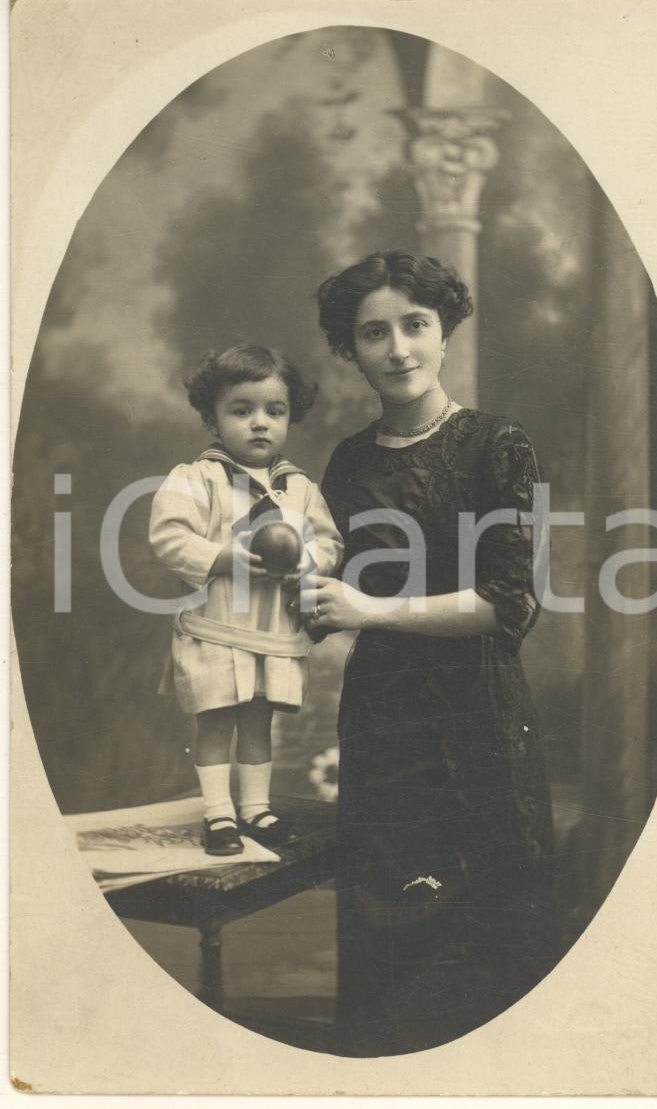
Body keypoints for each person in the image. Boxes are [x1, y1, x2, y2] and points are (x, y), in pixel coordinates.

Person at [304, 250, 557, 1056]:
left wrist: (366, 607)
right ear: (351, 349)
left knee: (486, 941)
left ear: (445, 331)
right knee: (386, 940)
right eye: (373, 332)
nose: (397, 348)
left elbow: (507, 605)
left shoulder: (497, 446)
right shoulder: (347, 462)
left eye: (415, 325)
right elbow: (323, 591)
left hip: (477, 718)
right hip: (382, 722)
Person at [149, 344, 342, 856]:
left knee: (259, 720)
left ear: (289, 418)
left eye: (273, 412)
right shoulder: (197, 479)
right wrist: (224, 556)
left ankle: (255, 808)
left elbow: (330, 543)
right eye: (242, 410)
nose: (260, 423)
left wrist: (307, 560)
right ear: (213, 418)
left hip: (272, 629)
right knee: (215, 719)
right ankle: (218, 814)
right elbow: (169, 537)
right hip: (216, 627)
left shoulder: (299, 489)